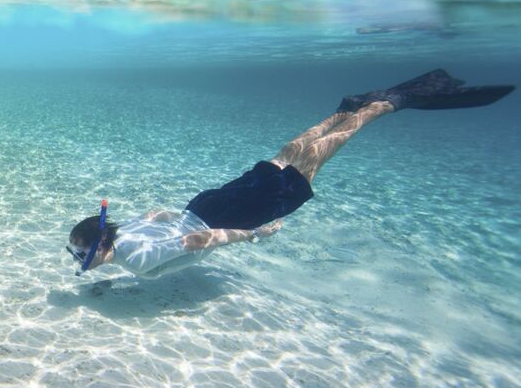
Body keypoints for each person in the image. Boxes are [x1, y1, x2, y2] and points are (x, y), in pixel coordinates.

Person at [67, 69, 514, 280]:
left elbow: (196, 242)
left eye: (83, 256)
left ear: (101, 246)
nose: (83, 262)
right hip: (202, 204)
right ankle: (343, 109)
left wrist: (253, 235)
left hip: (227, 219)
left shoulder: (136, 260)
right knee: (285, 156)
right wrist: (189, 219)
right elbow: (158, 213)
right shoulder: (127, 231)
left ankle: (385, 106)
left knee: (311, 163)